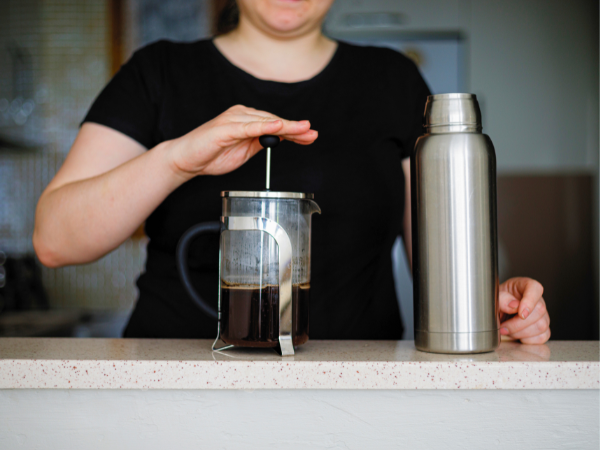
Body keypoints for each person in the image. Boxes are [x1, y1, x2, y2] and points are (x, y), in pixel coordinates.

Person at [33, 0, 550, 344]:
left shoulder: (392, 79)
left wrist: (494, 305)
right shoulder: (158, 71)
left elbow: (442, 264)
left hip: (358, 392)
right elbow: (55, 241)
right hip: (176, 386)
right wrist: (176, 158)